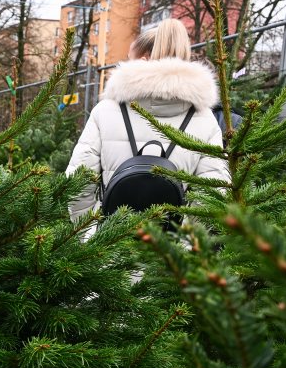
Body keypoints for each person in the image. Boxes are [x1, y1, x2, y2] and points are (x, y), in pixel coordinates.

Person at [65, 18, 229, 220]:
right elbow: (212, 195)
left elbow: (78, 184)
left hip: (112, 233)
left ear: (144, 59)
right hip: (172, 236)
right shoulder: (204, 118)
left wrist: (88, 230)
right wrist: (187, 236)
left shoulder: (106, 110)